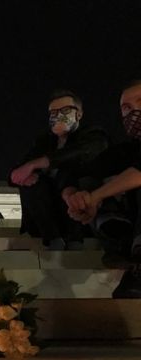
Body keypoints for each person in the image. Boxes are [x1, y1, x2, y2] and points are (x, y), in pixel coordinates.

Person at [63, 81, 141, 298]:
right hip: (129, 229)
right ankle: (118, 234)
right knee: (91, 180)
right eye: (126, 108)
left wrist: (96, 196)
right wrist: (76, 198)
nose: (133, 112)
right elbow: (80, 172)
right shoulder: (124, 151)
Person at [10, 89, 108, 250]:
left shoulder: (92, 134)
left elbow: (82, 152)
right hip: (46, 214)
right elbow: (17, 171)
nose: (58, 115)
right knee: (32, 181)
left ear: (79, 114)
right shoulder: (43, 142)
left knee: (67, 172)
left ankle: (74, 239)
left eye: (65, 110)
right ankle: (53, 239)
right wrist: (25, 174)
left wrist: (38, 163)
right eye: (53, 112)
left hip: (78, 212)